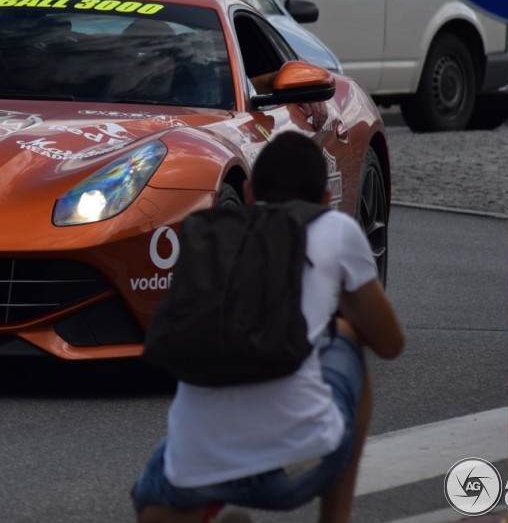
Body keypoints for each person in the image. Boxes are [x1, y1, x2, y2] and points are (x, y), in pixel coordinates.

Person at [132, 131, 404, 523]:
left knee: (156, 494)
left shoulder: (209, 237)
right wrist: (338, 308)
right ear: (326, 202)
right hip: (302, 464)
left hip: (196, 472)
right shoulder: (337, 230)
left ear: (247, 191)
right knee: (346, 340)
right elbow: (390, 343)